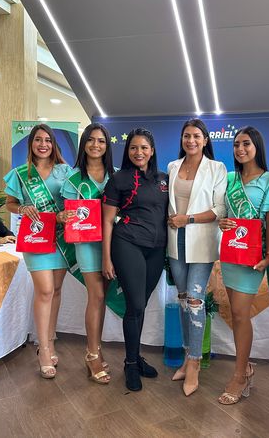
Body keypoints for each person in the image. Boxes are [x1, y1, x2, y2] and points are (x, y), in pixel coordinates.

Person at [4, 124, 75, 379]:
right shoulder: (20, 173)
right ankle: (43, 348)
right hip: (36, 237)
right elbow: (10, 203)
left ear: (53, 144)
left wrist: (66, 213)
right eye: (38, 140)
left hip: (60, 238)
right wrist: (22, 209)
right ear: (31, 144)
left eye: (47, 140)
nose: (43, 145)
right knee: (44, 290)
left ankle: (50, 340)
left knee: (56, 290)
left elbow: (74, 199)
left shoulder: (65, 171)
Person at [217, 126, 269, 405]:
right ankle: (246, 367)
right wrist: (221, 221)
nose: (240, 149)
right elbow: (224, 212)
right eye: (236, 145)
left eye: (246, 144)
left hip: (252, 256)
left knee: (241, 314)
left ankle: (239, 375)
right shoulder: (230, 179)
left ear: (257, 147)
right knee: (236, 313)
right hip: (232, 252)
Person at [102, 128, 169, 392]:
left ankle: (136, 356)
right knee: (135, 304)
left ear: (152, 151)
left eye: (144, 147)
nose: (138, 152)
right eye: (133, 147)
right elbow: (108, 220)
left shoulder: (163, 179)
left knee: (141, 306)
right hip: (127, 243)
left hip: (157, 249)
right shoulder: (119, 179)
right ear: (127, 151)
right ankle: (130, 363)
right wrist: (106, 258)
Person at [167, 119, 227, 396]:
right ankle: (186, 355)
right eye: (186, 136)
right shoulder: (172, 166)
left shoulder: (216, 168)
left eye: (196, 136)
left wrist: (187, 218)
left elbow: (219, 209)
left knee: (194, 299)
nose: (191, 141)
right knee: (182, 299)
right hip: (175, 242)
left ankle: (195, 363)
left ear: (205, 140)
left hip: (201, 242)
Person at [61, 123, 115, 384]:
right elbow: (67, 213)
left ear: (107, 146)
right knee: (97, 295)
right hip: (87, 243)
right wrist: (64, 216)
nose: (96, 145)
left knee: (102, 297)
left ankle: (97, 348)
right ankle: (92, 354)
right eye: (91, 140)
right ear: (83, 144)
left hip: (113, 244)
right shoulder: (73, 179)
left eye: (101, 141)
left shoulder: (116, 176)